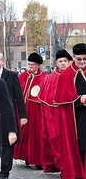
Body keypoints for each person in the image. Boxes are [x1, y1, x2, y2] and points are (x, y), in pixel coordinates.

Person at [0, 51, 27, 179]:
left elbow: (19, 96)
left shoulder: (11, 75)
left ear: (2, 61)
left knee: (8, 144)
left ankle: (5, 172)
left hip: (7, 115)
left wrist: (23, 115)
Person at [53, 43, 86, 179]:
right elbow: (63, 98)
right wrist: (80, 99)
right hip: (77, 117)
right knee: (81, 147)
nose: (82, 62)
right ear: (73, 57)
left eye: (85, 59)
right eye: (79, 59)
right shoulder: (67, 75)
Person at [38, 50, 72, 173]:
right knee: (56, 140)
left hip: (73, 116)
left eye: (65, 61)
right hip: (56, 116)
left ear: (69, 62)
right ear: (56, 63)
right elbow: (47, 101)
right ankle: (61, 165)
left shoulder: (75, 75)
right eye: (60, 61)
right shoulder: (50, 78)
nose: (63, 64)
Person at [14, 52, 47, 169]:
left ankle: (38, 159)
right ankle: (26, 156)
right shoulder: (22, 76)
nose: (30, 66)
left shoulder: (44, 78)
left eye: (32, 64)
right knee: (24, 134)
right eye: (29, 64)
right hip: (22, 109)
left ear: (38, 65)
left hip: (36, 111)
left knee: (36, 135)